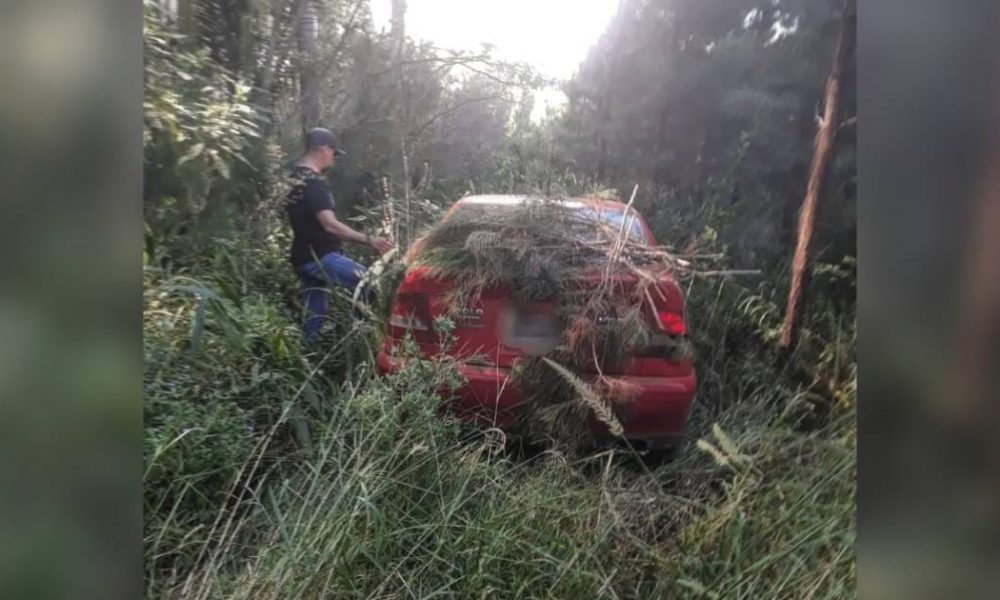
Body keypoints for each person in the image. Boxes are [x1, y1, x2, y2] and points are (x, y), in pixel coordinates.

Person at [286, 127, 393, 342]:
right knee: (369, 283)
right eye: (334, 153)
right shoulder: (314, 184)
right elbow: (330, 226)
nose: (334, 159)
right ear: (322, 149)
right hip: (319, 256)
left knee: (315, 313)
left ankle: (309, 357)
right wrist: (369, 240)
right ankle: (361, 337)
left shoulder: (294, 179)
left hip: (302, 255)